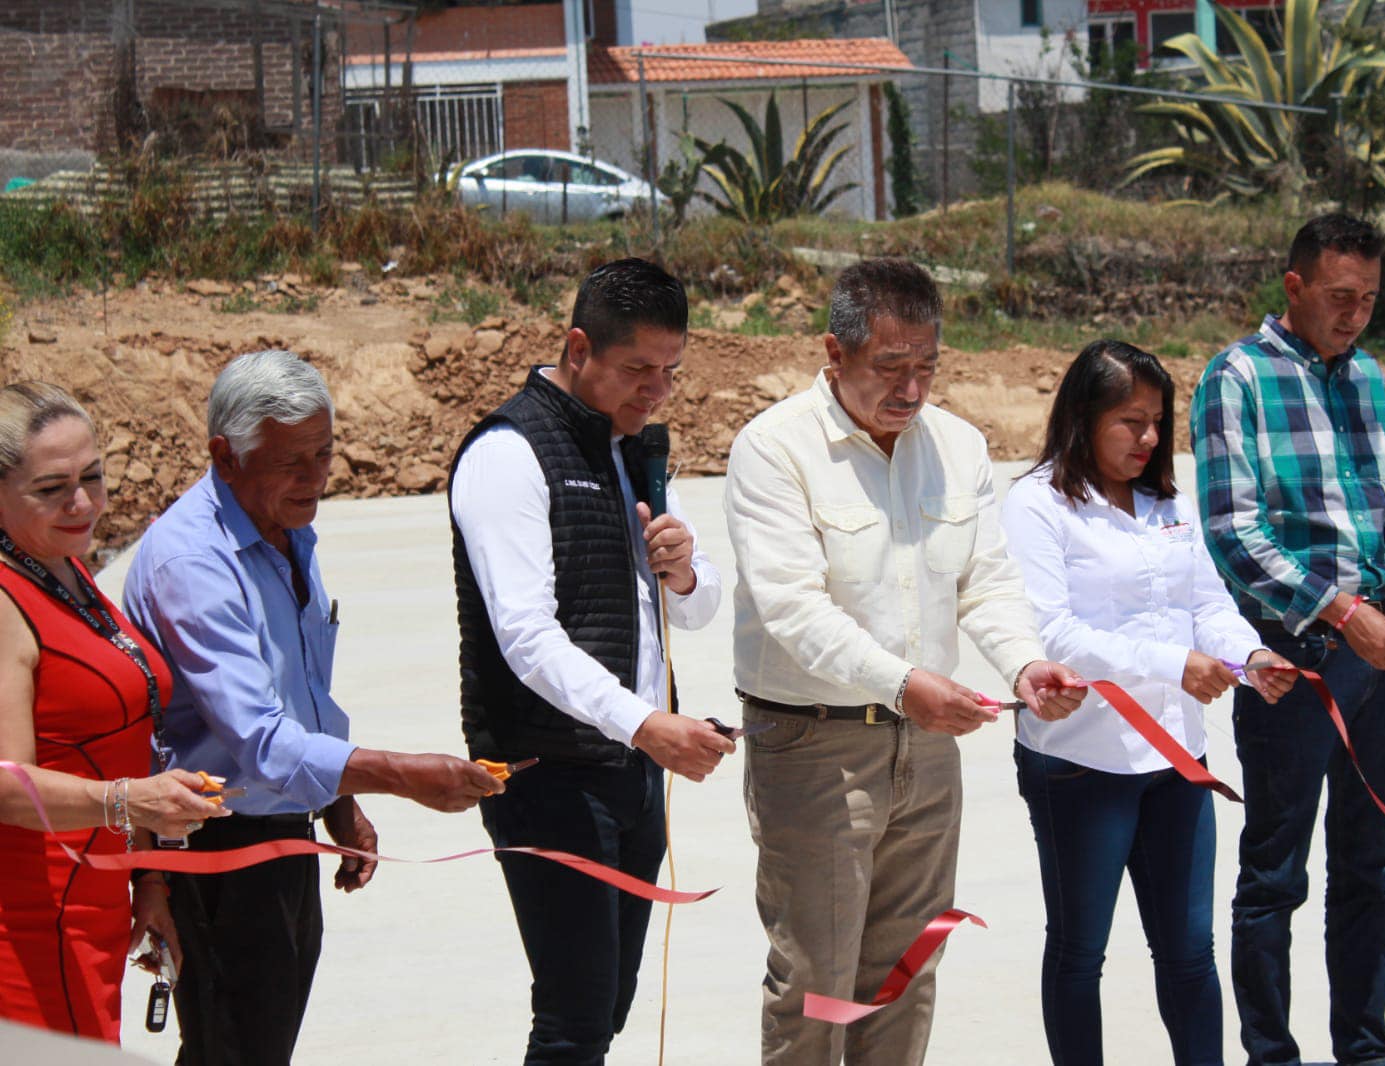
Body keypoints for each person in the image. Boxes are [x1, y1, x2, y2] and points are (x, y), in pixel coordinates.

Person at [724, 257, 1086, 1065]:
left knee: (905, 969)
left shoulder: (956, 446)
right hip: (814, 748)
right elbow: (790, 608)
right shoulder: (774, 449)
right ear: (834, 351)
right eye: (890, 367)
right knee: (815, 979)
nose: (912, 389)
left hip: (925, 752)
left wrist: (1024, 666)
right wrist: (902, 685)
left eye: (926, 366)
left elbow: (984, 583)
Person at [122, 350, 501, 1066]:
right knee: (233, 1047)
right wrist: (399, 774)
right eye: (289, 460)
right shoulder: (193, 564)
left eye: (323, 452)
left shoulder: (285, 527)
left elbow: (296, 692)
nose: (315, 476)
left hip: (281, 832)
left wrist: (336, 800)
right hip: (216, 850)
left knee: (254, 1046)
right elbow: (260, 740)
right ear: (224, 457)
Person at [1190, 213, 1385, 1066]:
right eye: (1338, 297)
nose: (1354, 314)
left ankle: (1361, 1048)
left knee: (1368, 867)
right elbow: (1232, 532)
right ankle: (1272, 1056)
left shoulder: (1363, 380)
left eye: (1367, 299)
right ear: (1293, 289)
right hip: (1302, 664)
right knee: (1275, 877)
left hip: (1384, 664)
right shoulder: (1235, 379)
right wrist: (1340, 613)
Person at [448, 257, 735, 1066]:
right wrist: (645, 723)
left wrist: (684, 570)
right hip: (549, 778)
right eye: (638, 369)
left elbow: (695, 609)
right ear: (578, 347)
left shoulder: (631, 449)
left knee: (606, 1008)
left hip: (631, 777)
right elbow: (526, 637)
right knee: (572, 1020)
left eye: (670, 371)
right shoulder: (507, 454)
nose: (657, 391)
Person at [1000, 341, 1296, 1066]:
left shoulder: (1166, 501)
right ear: (1081, 417)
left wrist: (1245, 654)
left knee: (1189, 953)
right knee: (1079, 953)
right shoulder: (1037, 503)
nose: (1149, 439)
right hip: (1080, 768)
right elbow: (1056, 632)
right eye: (1130, 421)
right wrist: (1175, 663)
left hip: (1175, 762)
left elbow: (1207, 602)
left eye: (1157, 421)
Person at [0, 382, 225, 1043]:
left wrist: (146, 876)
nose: (83, 503)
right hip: (34, 919)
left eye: (93, 477)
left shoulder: (63, 567)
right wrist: (127, 802)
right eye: (52, 488)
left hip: (95, 897)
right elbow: (8, 781)